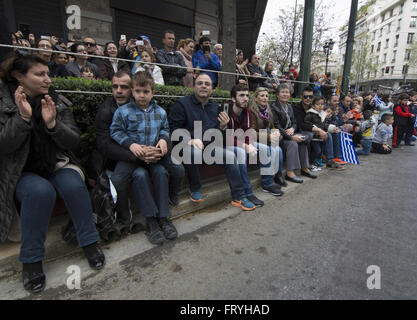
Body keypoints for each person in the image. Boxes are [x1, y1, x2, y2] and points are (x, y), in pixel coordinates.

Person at [0, 53, 105, 294]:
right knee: (40, 192)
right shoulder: (3, 102)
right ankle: (32, 261)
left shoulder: (57, 100)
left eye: (48, 73)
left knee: (73, 185)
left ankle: (90, 243)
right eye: (40, 74)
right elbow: (4, 145)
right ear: (19, 77)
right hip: (20, 171)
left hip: (56, 163)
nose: (48, 79)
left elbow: (74, 141)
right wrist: (23, 118)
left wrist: (53, 125)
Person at [94, 70, 185, 235]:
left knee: (174, 169)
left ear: (153, 93)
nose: (141, 95)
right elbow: (115, 131)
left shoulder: (160, 112)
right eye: (137, 91)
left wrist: (164, 141)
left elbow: (165, 129)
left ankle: (164, 216)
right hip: (134, 155)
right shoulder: (122, 112)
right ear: (133, 91)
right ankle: (143, 219)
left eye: (145, 92)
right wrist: (131, 145)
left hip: (155, 155)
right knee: (118, 179)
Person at [168, 73, 256, 211]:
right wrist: (189, 140)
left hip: (209, 148)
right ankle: (195, 188)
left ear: (212, 89)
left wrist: (222, 127)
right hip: (186, 147)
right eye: (200, 83)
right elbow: (173, 129)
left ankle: (239, 196)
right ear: (194, 86)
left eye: (207, 84)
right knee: (193, 152)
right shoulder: (182, 104)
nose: (204, 86)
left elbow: (216, 133)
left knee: (231, 156)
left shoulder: (215, 107)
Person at [225, 84, 271, 206]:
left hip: (242, 142)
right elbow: (226, 137)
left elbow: (249, 132)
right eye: (241, 95)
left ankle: (268, 183)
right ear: (233, 99)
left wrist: (250, 144)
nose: (245, 98)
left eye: (246, 95)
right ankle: (248, 192)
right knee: (240, 152)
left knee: (265, 148)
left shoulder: (247, 112)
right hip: (227, 143)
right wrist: (245, 146)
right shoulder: (225, 110)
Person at [271, 83, 317, 181]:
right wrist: (291, 137)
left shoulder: (289, 106)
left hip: (290, 132)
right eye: (282, 92)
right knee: (293, 144)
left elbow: (295, 122)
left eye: (287, 92)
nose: (285, 94)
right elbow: (276, 126)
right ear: (277, 94)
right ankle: (290, 173)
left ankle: (305, 168)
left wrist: (292, 128)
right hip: (281, 136)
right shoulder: (274, 107)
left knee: (303, 139)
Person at [247, 87, 286, 192]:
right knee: (267, 149)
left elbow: (271, 126)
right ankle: (267, 183)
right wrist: (268, 136)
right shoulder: (251, 111)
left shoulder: (267, 111)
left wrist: (275, 131)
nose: (265, 98)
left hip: (264, 138)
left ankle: (277, 176)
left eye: (266, 96)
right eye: (262, 96)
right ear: (255, 98)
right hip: (253, 139)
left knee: (278, 150)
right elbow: (251, 132)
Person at [304, 97, 343, 170]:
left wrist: (332, 128)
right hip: (314, 136)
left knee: (320, 150)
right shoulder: (310, 114)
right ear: (313, 105)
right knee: (317, 150)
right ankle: (310, 163)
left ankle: (329, 160)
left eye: (322, 104)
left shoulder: (322, 114)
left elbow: (324, 125)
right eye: (318, 104)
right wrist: (318, 130)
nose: (320, 106)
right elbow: (308, 124)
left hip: (321, 136)